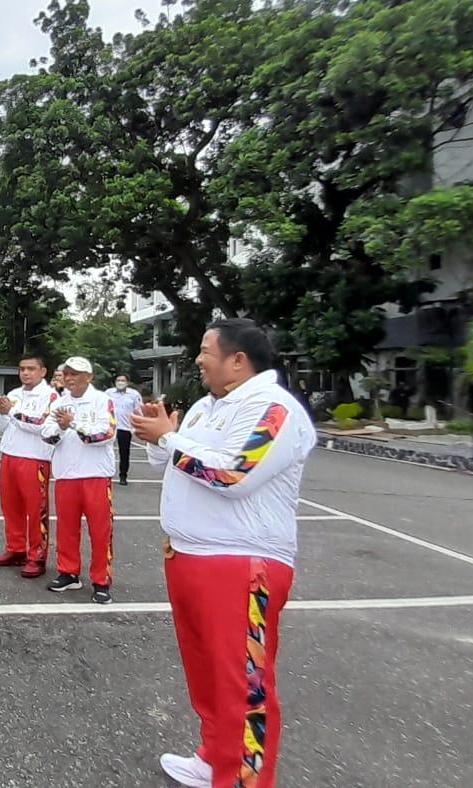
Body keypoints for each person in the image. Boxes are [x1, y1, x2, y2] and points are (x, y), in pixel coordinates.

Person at [131, 318, 316, 788]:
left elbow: (232, 476)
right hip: (189, 555)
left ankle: (245, 779)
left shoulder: (275, 410)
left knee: (243, 684)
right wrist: (160, 435)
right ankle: (214, 757)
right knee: (207, 674)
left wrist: (169, 441)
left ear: (238, 360)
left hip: (242, 564)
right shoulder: (205, 408)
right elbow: (172, 461)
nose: (197, 358)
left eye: (205, 349)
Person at [41, 357, 117, 602]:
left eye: (76, 374)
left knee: (100, 530)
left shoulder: (103, 400)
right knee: (67, 528)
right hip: (66, 474)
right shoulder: (59, 403)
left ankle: (101, 579)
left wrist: (72, 423)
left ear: (89, 377)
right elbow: (46, 434)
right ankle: (68, 572)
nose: (70, 378)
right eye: (67, 373)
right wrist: (61, 429)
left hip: (95, 474)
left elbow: (106, 434)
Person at [0, 356, 57, 579]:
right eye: (22, 369)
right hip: (9, 455)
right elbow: (3, 426)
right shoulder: (14, 394)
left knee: (36, 510)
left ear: (43, 371)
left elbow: (41, 426)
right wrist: (0, 411)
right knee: (10, 506)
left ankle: (37, 556)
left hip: (34, 458)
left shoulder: (51, 396)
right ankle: (16, 548)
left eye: (31, 369)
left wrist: (11, 412)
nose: (26, 373)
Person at [105, 372, 143, 486]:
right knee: (107, 451)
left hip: (125, 428)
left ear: (127, 382)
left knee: (124, 453)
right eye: (118, 380)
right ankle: (107, 475)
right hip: (110, 427)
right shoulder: (108, 393)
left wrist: (139, 425)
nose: (120, 382)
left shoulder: (134, 395)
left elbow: (138, 411)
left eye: (123, 380)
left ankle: (123, 476)